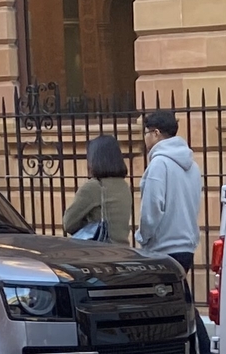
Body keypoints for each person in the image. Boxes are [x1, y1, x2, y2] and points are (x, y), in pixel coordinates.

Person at [135, 109, 199, 270]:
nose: (145, 138)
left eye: (146, 133)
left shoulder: (159, 164)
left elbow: (152, 208)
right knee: (180, 292)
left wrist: (143, 237)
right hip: (187, 247)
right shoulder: (193, 166)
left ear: (155, 133)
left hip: (163, 248)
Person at [62, 134, 132, 243]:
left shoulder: (93, 187)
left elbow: (69, 223)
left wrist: (89, 226)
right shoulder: (123, 185)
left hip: (100, 251)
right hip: (122, 250)